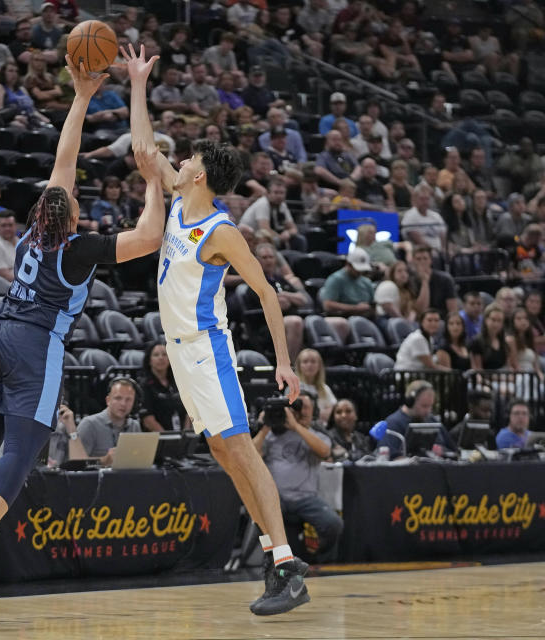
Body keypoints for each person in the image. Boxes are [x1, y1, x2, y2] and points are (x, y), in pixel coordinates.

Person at [0, 51, 170, 627]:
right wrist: (153, 181)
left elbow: (63, 160)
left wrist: (80, 98)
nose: (72, 193)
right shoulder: (78, 247)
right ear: (71, 216)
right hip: (34, 346)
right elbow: (150, 237)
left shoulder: (33, 233)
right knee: (21, 453)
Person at [122, 44, 310, 616]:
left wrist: (283, 361)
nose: (176, 164)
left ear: (200, 172)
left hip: (208, 349)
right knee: (226, 457)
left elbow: (267, 291)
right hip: (179, 354)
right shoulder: (179, 197)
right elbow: (142, 148)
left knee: (242, 453)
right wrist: (136, 84)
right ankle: (274, 557)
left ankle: (286, 566)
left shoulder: (221, 231)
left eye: (187, 161)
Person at [253, 389, 342, 560]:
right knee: (259, 517)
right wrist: (265, 428)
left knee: (333, 524)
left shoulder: (318, 435)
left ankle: (320, 560)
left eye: (305, 407)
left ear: (314, 411)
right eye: (295, 406)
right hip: (277, 499)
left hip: (306, 499)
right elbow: (250, 456)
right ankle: (273, 562)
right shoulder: (271, 435)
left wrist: (296, 427)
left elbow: (324, 451)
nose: (300, 410)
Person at [377, 380, 456, 458]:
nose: (428, 411)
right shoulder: (393, 423)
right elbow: (391, 457)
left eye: (430, 406)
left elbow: (454, 450)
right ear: (410, 402)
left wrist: (442, 451)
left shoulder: (432, 420)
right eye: (424, 406)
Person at [77, 377, 142, 459]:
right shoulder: (89, 424)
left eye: (128, 399)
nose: (123, 404)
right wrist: (103, 461)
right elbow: (77, 462)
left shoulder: (134, 426)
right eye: (118, 398)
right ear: (108, 400)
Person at [320, 248, 376, 342]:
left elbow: (373, 303)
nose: (359, 272)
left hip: (366, 319)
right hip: (344, 318)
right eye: (357, 269)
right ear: (348, 264)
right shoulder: (335, 279)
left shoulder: (366, 282)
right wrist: (355, 308)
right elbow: (327, 305)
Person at [139, 339, 187, 432]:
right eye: (156, 355)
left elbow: (189, 412)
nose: (161, 358)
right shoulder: (145, 386)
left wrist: (186, 434)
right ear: (149, 360)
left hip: (182, 436)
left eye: (164, 355)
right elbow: (148, 420)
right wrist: (170, 439)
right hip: (159, 439)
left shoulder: (178, 381)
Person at [410, 246, 460, 314]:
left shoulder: (445, 279)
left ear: (431, 260)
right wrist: (425, 282)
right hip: (421, 320)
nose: (422, 262)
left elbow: (453, 309)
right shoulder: (410, 281)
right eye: (418, 259)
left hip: (442, 319)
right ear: (413, 260)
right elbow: (420, 310)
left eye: (425, 258)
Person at [401, 186, 448, 253]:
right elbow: (418, 240)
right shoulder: (410, 216)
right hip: (420, 252)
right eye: (422, 199)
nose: (425, 202)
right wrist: (434, 251)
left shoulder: (436, 215)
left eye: (427, 199)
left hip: (439, 252)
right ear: (415, 199)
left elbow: (443, 235)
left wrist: (443, 250)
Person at [470, 304, 515, 371]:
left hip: (504, 378)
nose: (496, 324)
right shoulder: (477, 341)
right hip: (486, 380)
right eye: (493, 320)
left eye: (499, 320)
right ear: (486, 320)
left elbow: (508, 366)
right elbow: (478, 370)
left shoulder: (504, 342)